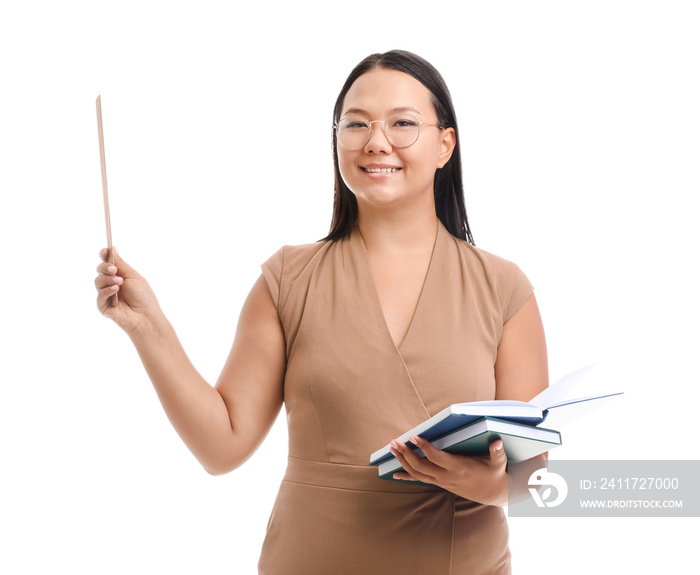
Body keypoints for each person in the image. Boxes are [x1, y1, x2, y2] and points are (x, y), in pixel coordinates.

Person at [95, 50, 548, 574]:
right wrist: (150, 328)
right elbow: (223, 447)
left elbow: (533, 476)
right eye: (356, 124)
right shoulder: (289, 280)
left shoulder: (504, 289)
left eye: (403, 123)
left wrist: (487, 483)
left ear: (445, 144)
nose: (376, 141)